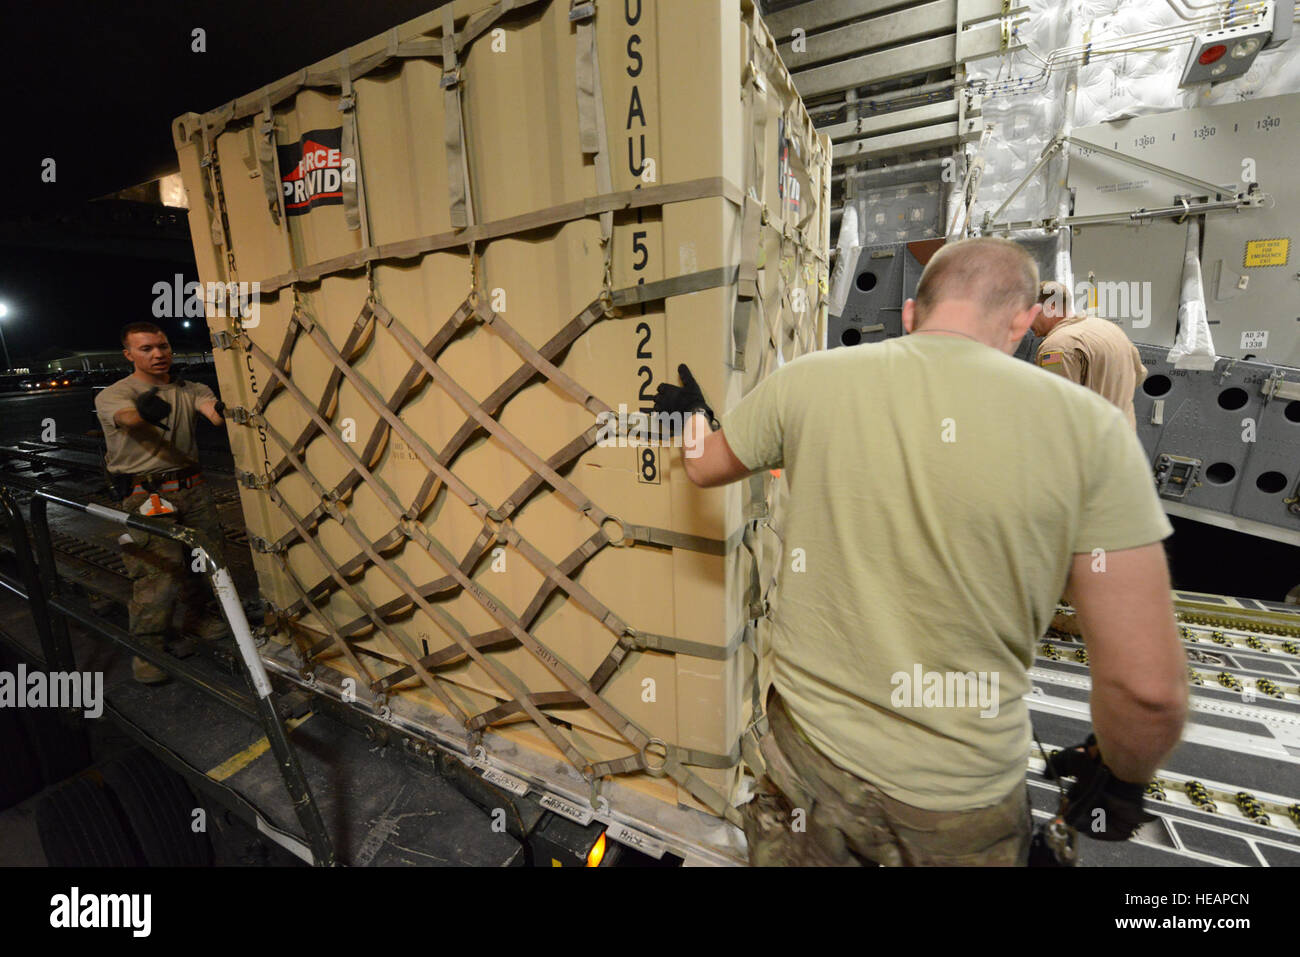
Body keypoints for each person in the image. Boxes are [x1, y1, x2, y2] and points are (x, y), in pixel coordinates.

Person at [654, 237, 1187, 866]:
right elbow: (1148, 690)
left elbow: (705, 466)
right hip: (959, 803)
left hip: (808, 766)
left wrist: (691, 416)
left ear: (911, 312)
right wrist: (1119, 779)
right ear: (1022, 318)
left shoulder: (808, 381)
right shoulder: (1093, 432)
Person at [94, 322, 229, 684]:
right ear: (129, 355)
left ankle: (200, 619)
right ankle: (148, 652)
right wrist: (147, 413)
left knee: (206, 563)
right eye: (147, 349)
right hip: (145, 495)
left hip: (193, 488)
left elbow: (213, 412)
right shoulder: (114, 394)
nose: (158, 354)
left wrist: (228, 410)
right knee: (157, 576)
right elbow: (128, 420)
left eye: (163, 346)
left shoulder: (190, 388)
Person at [1033, 280, 1148, 429]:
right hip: (1123, 442)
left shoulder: (1057, 346)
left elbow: (1057, 409)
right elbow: (1139, 375)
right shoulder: (1109, 328)